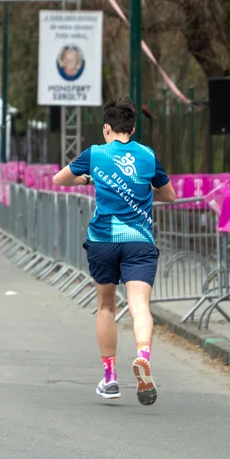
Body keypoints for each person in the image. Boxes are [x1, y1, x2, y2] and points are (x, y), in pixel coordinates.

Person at [52, 99, 176, 406]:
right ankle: (143, 355)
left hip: (103, 240)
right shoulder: (147, 155)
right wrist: (147, 192)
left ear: (106, 128)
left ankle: (109, 379)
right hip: (140, 241)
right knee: (139, 305)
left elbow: (59, 179)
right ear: (132, 129)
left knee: (106, 306)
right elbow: (170, 196)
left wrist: (89, 178)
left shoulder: (94, 153)